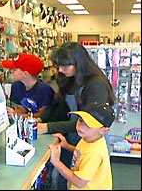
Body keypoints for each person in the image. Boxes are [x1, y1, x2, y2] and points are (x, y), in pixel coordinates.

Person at [37, 42, 115, 189]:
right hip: (76, 139)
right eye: (59, 66)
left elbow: (89, 122)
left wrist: (48, 127)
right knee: (68, 176)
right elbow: (58, 105)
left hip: (85, 136)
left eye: (65, 66)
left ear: (79, 63)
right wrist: (41, 119)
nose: (60, 70)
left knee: (79, 177)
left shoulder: (96, 85)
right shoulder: (71, 78)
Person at [48, 103, 115, 190]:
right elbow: (82, 152)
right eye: (80, 120)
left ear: (103, 130)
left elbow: (80, 182)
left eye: (89, 124)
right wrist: (66, 146)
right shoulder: (89, 138)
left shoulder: (94, 153)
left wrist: (56, 162)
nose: (81, 126)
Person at [1, 53, 55, 118]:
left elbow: (43, 115)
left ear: (25, 74)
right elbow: (20, 108)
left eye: (14, 70)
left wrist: (17, 115)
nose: (11, 72)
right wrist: (12, 112)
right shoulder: (16, 86)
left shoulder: (45, 90)